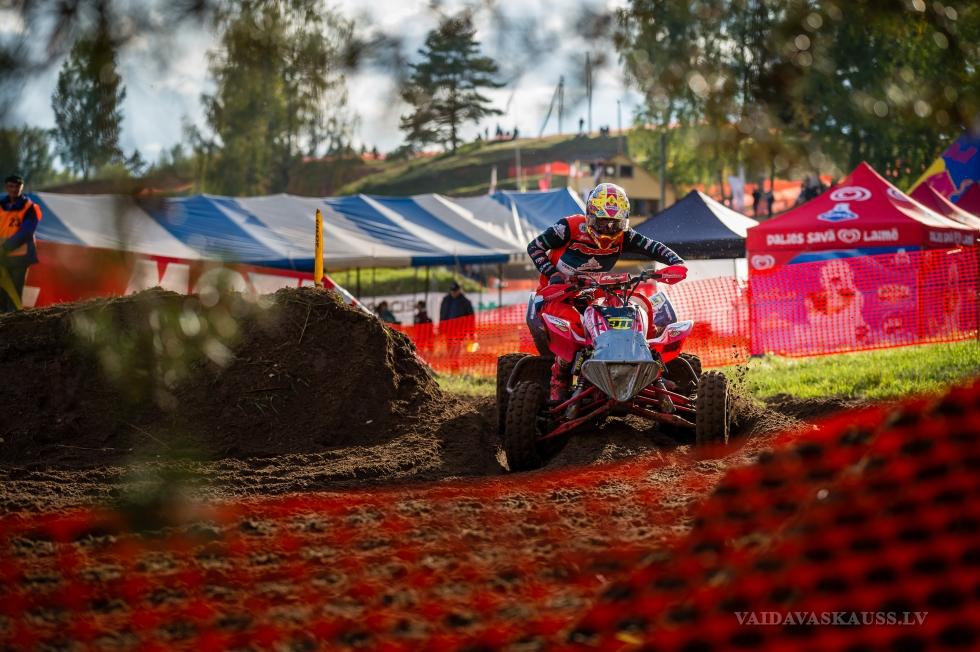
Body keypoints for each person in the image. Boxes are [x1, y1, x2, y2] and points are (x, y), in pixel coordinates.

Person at [526, 182, 686, 402]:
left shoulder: (624, 236)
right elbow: (534, 247)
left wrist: (677, 263)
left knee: (632, 309)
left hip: (594, 292)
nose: (608, 230)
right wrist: (552, 274)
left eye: (615, 224)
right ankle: (559, 379)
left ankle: (652, 371)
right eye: (602, 223)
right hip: (557, 294)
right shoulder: (569, 227)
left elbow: (653, 247)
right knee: (574, 326)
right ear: (590, 216)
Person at [0, 174, 41, 313]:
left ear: (22, 187)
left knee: (15, 294)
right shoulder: (1, 206)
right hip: (2, 258)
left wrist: (5, 247)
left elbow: (26, 232)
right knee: (2, 294)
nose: (14, 189)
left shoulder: (30, 208)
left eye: (17, 186)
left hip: (20, 258)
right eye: (11, 186)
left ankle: (12, 321)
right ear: (6, 187)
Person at [439, 281, 475, 372]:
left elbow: (471, 318)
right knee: (450, 350)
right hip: (448, 330)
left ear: (459, 290)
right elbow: (442, 315)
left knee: (456, 350)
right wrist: (441, 329)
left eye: (455, 291)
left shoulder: (465, 302)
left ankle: (456, 369)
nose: (453, 293)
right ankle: (453, 369)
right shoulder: (446, 300)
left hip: (460, 331)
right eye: (452, 291)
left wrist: (471, 333)